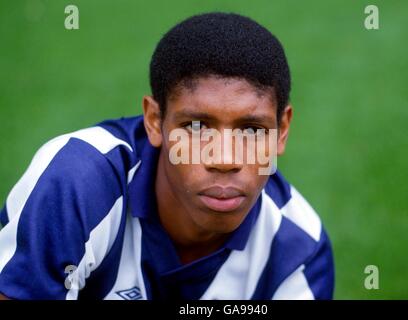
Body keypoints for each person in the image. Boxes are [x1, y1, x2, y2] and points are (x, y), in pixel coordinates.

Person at [0, 12, 334, 300]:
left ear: (282, 130)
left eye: (251, 130)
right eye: (197, 126)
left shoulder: (299, 249)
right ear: (155, 121)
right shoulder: (74, 184)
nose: (225, 159)